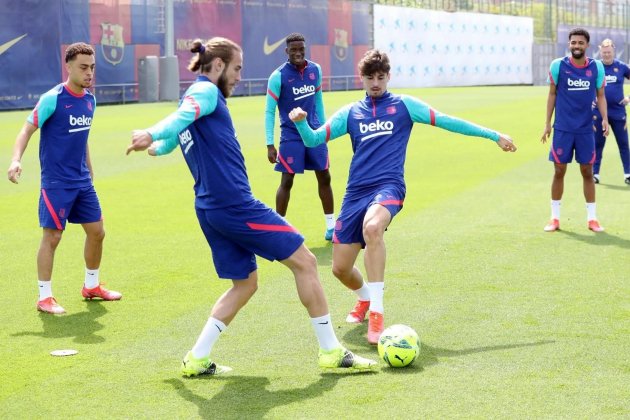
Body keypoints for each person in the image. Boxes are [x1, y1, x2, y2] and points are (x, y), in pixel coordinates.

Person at [126, 37, 376, 376]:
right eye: (237, 68)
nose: (240, 76)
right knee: (305, 261)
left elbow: (175, 133)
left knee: (245, 283)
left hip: (209, 208)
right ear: (218, 67)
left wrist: (156, 142)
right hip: (234, 205)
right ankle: (331, 351)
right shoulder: (206, 93)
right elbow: (182, 116)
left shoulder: (197, 97)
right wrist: (150, 133)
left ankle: (197, 358)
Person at [288, 49, 517, 345]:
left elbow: (447, 120)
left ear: (388, 77)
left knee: (373, 229)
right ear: (362, 78)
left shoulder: (404, 105)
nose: (375, 83)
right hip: (356, 192)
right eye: (370, 77)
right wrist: (301, 122)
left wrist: (493, 135)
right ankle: (365, 298)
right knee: (340, 269)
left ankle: (377, 316)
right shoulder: (351, 113)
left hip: (389, 187)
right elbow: (314, 139)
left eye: (380, 77)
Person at [6, 43, 122, 315]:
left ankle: (91, 286)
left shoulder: (90, 100)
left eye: (92, 67)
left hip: (82, 181)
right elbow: (26, 130)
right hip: (56, 182)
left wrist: (90, 169)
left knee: (97, 232)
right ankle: (44, 297)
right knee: (53, 236)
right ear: (68, 66)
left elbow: (83, 138)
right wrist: (15, 160)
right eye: (83, 67)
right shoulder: (52, 99)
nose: (89, 73)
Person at [264, 33, 335, 240]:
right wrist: (269, 144)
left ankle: (331, 227)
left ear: (305, 49)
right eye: (293, 49)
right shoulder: (277, 76)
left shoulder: (315, 70)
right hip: (291, 136)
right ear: (286, 51)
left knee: (325, 176)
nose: (297, 53)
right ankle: (279, 231)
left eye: (301, 49)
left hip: (313, 133)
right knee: (287, 181)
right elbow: (269, 111)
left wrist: (324, 129)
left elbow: (319, 102)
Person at [541, 28, 609, 233]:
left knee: (587, 171)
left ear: (587, 45)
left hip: (586, 129)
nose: (576, 46)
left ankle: (592, 218)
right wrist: (547, 123)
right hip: (562, 128)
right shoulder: (557, 66)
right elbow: (552, 95)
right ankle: (554, 218)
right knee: (559, 170)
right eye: (573, 43)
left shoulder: (596, 67)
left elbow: (601, 95)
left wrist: (605, 118)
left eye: (580, 43)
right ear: (569, 44)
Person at [592, 38, 630, 185]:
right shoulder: (595, 67)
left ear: (613, 51)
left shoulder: (621, 67)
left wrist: (628, 98)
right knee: (597, 144)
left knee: (623, 144)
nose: (606, 55)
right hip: (598, 113)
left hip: (618, 112)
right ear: (600, 51)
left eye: (609, 52)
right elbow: (586, 85)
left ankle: (628, 174)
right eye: (604, 52)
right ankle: (595, 174)